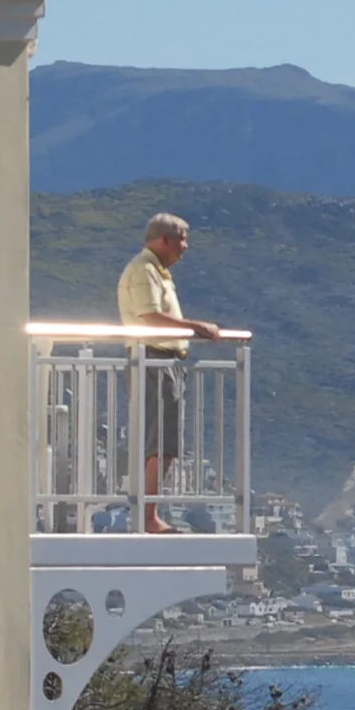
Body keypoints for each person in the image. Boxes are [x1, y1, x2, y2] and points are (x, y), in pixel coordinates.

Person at [117, 213, 224, 534]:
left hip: (162, 361)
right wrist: (195, 326)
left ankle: (148, 513)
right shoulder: (144, 269)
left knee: (162, 439)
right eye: (181, 240)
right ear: (164, 240)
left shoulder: (155, 271)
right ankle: (148, 517)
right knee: (160, 440)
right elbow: (149, 316)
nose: (185, 247)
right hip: (154, 359)